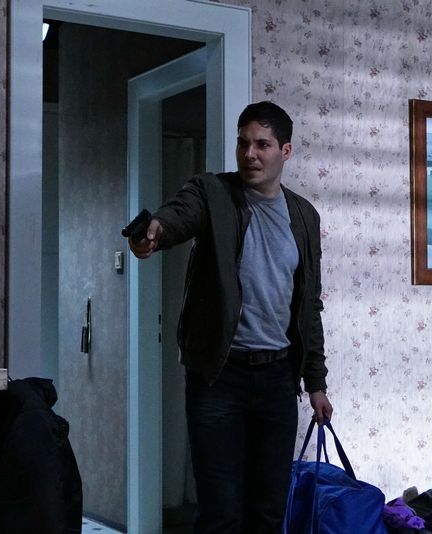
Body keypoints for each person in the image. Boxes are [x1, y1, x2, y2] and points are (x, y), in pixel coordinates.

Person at [128, 101, 333, 534]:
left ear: (286, 151)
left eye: (262, 145)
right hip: (218, 379)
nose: (249, 154)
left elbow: (308, 305)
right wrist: (155, 233)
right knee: (220, 512)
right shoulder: (212, 192)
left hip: (278, 380)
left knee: (268, 511)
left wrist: (315, 382)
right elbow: (179, 215)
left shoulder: (304, 216)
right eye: (243, 143)